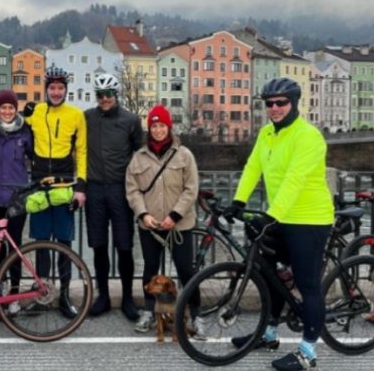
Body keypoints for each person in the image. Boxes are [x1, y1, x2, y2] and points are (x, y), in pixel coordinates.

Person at [224, 78, 334, 371]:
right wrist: (238, 201)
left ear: (294, 103)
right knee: (269, 272)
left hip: (309, 218)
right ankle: (269, 333)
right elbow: (253, 167)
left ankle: (308, 352)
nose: (274, 108)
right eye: (269, 103)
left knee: (307, 283)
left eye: (280, 102)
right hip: (280, 215)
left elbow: (294, 179)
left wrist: (270, 216)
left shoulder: (308, 137)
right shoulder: (266, 134)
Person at [124, 104, 204, 337]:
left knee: (186, 270)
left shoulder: (184, 155)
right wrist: (143, 214)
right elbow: (132, 190)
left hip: (179, 224)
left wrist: (174, 215)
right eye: (154, 126)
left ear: (169, 128)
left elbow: (191, 189)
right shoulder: (138, 158)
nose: (158, 130)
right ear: (149, 129)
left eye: (162, 126)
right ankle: (149, 312)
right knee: (150, 270)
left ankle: (196, 315)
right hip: (150, 225)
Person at [24, 65, 87, 318]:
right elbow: (12, 125)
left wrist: (81, 186)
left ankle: (63, 296)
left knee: (64, 243)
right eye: (52, 88)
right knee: (40, 243)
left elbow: (81, 151)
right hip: (39, 185)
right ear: (46, 89)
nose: (57, 92)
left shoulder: (76, 115)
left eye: (61, 88)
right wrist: (22, 112)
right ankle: (42, 294)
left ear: (66, 90)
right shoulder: (36, 112)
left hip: (63, 187)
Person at [84, 74, 142, 321]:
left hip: (121, 189)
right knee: (98, 246)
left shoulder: (131, 120)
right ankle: (103, 296)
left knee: (124, 246)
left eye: (108, 94)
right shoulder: (86, 118)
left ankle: (128, 297)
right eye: (100, 95)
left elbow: (141, 155)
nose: (104, 99)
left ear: (116, 95)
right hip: (94, 188)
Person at [0, 89, 33, 315]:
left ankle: (14, 294)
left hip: (18, 198)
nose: (7, 111)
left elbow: (36, 156)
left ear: (16, 109)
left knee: (14, 248)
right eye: (3, 108)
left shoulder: (25, 131)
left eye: (11, 108)